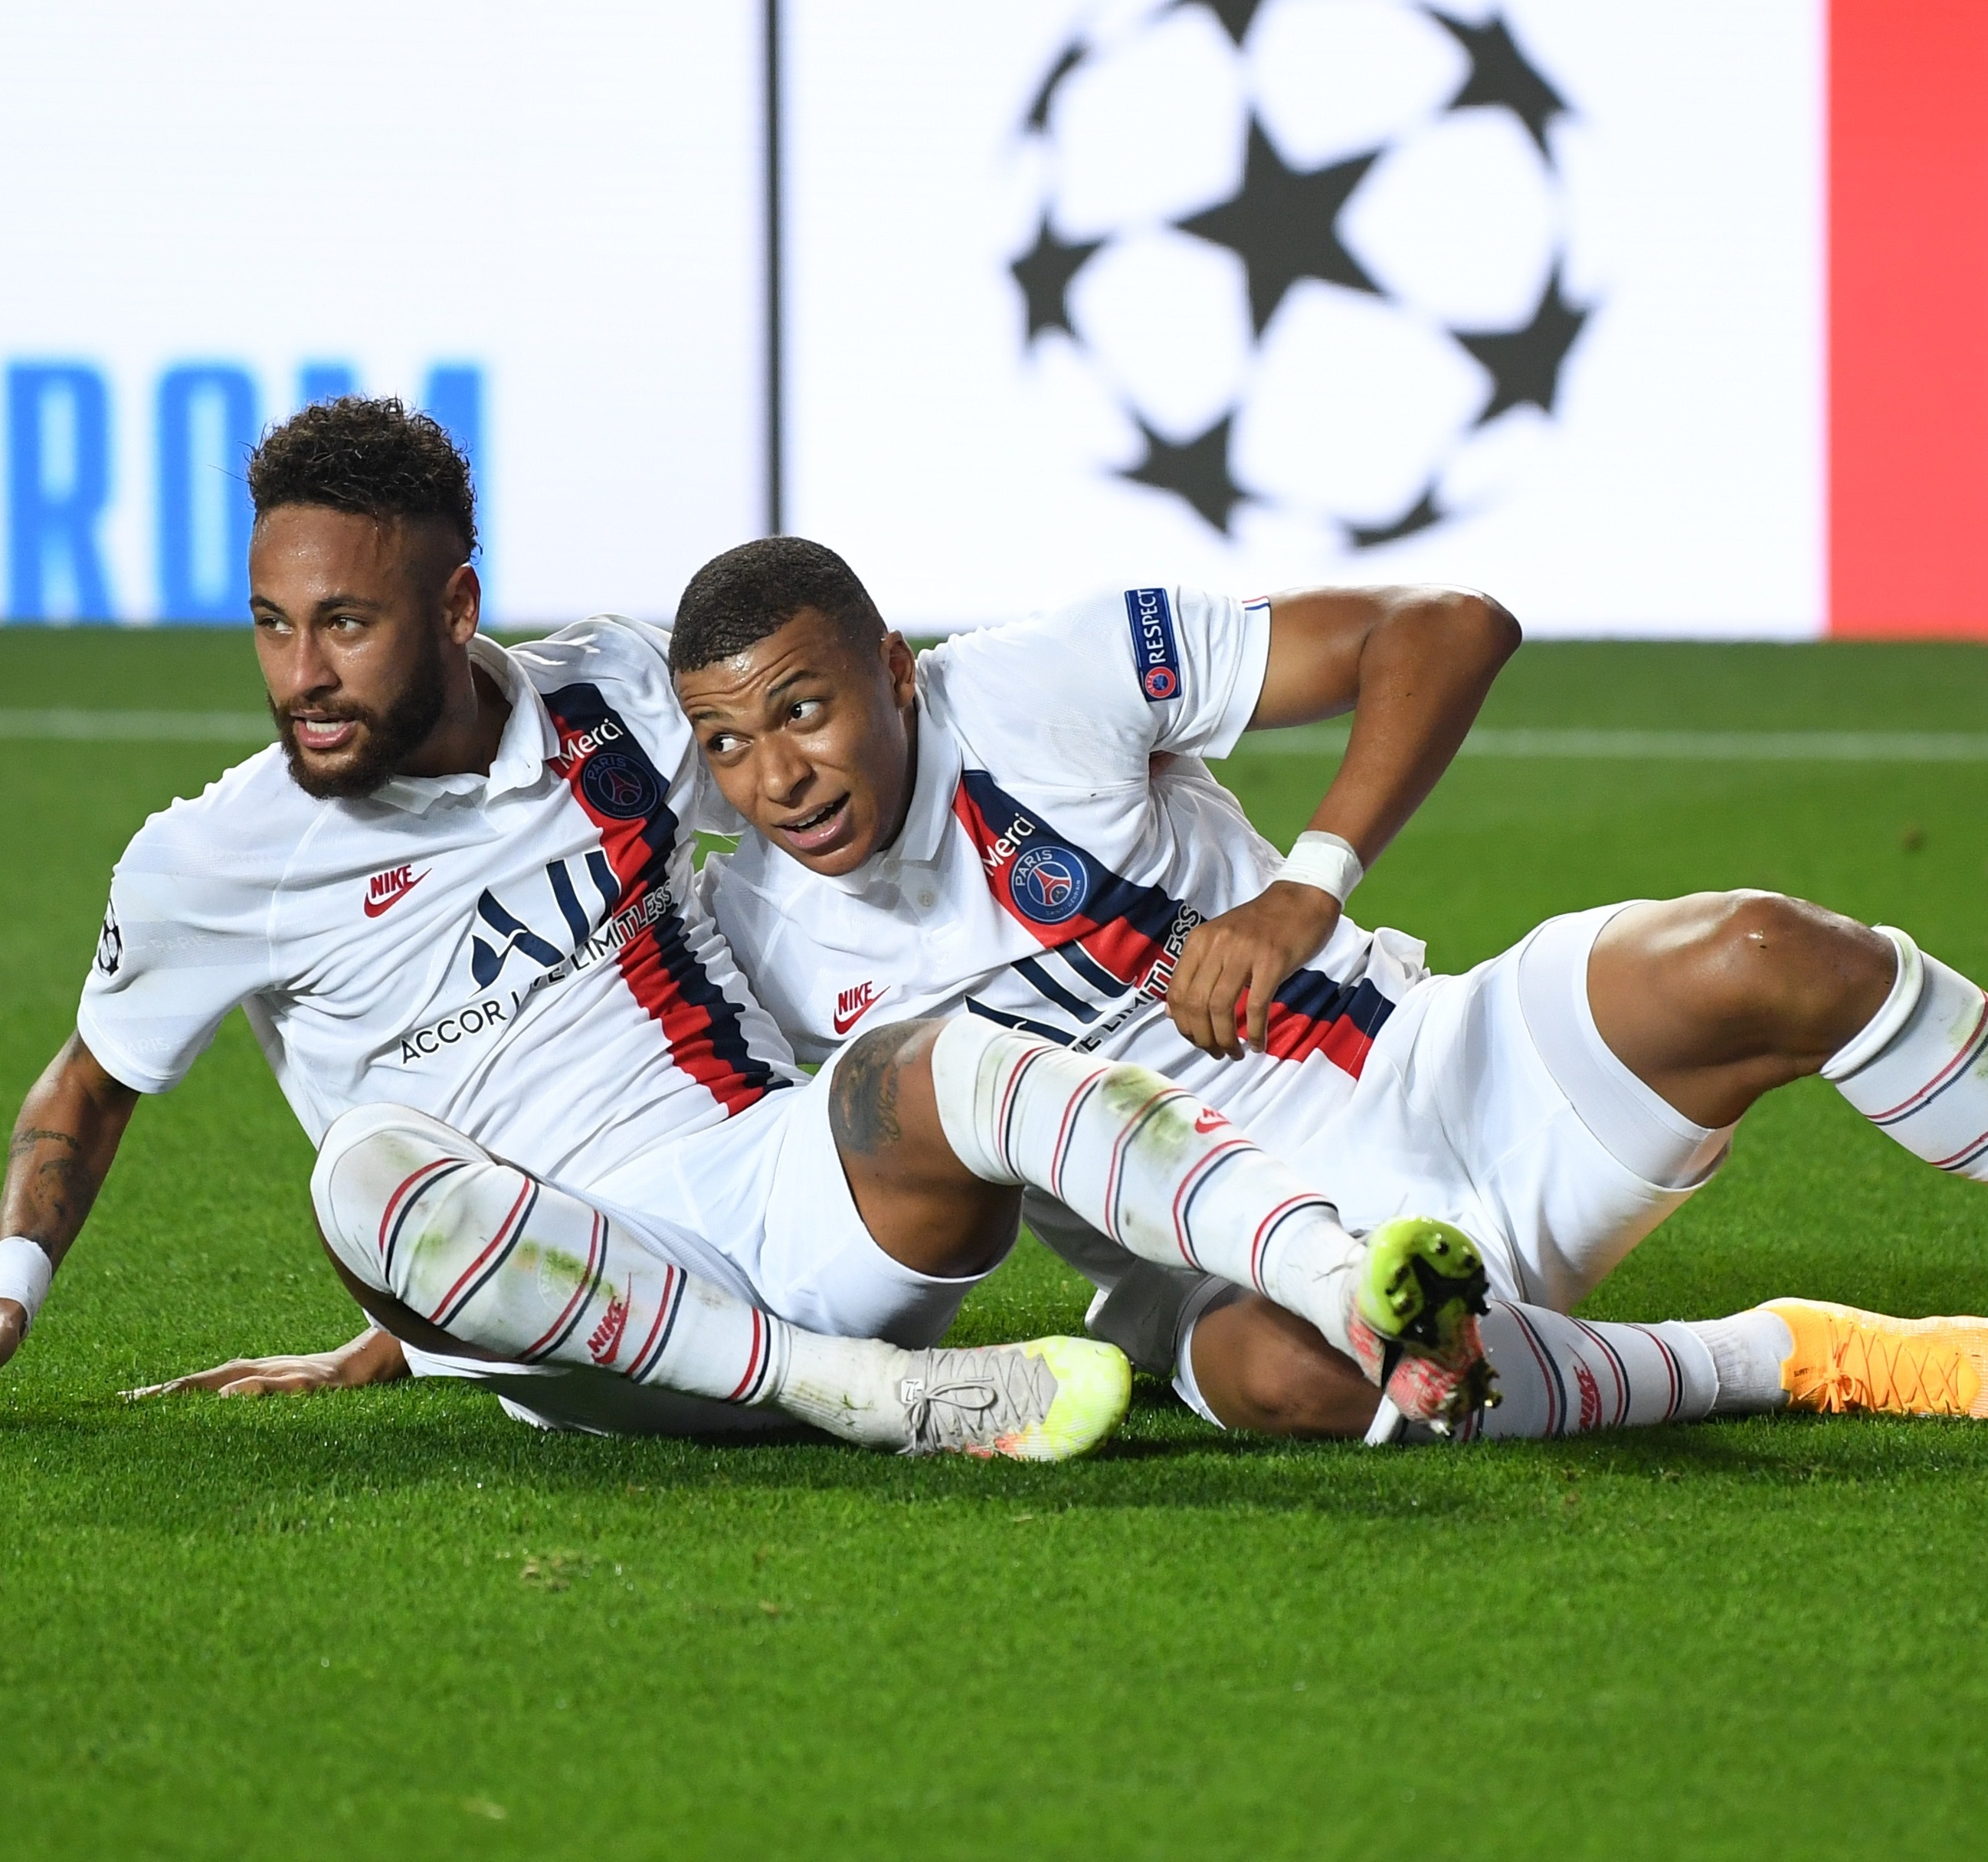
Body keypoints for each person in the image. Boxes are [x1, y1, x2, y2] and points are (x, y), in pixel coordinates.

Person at [217, 535, 1988, 1444]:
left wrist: (1305, 888)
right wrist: (414, 1316)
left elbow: (1446, 624)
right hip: (1212, 1268)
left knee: (1770, 952)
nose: (779, 777)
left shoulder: (1050, 681)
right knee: (1303, 1386)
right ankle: (1786, 1360)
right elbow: (677, 1194)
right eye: (729, 748)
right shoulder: (752, 949)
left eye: (809, 710)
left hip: (1449, 1073)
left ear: (894, 673)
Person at [0, 398, 1492, 1457]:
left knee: (964, 1052)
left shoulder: (624, 697)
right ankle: (860, 1398)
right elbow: (88, 1088)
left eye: (346, 624)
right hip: (570, 1304)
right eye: (274, 623)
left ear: (454, 607)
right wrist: (16, 1300)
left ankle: (1342, 1294)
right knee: (363, 1170)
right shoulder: (211, 862)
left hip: (788, 1202)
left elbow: (825, 705)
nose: (302, 673)